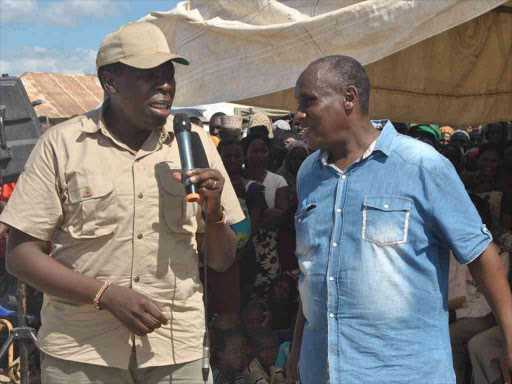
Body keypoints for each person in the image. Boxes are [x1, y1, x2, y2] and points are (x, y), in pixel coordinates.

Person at [1, 22, 245, 384]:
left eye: (169, 75)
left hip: (175, 351)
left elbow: (222, 259)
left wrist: (213, 214)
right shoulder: (61, 145)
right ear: (110, 82)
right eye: (150, 75)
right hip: (81, 352)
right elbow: (21, 257)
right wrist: (104, 295)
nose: (165, 85)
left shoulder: (196, 145)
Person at [287, 55, 512, 384]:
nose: (298, 114)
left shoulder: (421, 165)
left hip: (403, 372)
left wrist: (509, 336)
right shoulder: (309, 174)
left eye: (308, 102)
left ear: (349, 98)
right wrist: (296, 352)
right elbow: (315, 273)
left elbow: (480, 253)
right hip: (321, 371)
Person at [243, 133, 289, 297]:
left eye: (263, 151)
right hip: (242, 243)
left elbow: (279, 215)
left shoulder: (278, 181)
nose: (259, 155)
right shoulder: (238, 179)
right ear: (246, 154)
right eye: (254, 151)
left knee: (265, 288)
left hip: (268, 246)